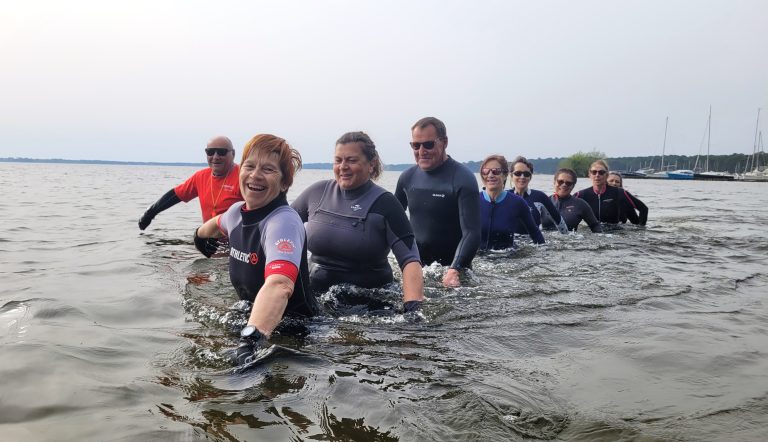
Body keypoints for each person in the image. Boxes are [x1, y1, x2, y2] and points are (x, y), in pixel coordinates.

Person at [194, 134, 319, 366]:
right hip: (253, 321)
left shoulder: (283, 222)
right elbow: (214, 224)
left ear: (284, 183)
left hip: (296, 334)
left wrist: (249, 343)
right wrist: (199, 237)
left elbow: (280, 285)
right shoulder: (235, 212)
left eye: (268, 169)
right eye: (249, 166)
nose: (255, 175)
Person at [291, 131, 425, 312]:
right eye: (338, 160)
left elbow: (410, 260)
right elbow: (283, 226)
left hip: (367, 303)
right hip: (315, 294)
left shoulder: (386, 203)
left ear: (371, 165)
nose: (343, 166)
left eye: (351, 160)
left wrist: (413, 309)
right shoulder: (317, 192)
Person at [394, 117, 481, 288]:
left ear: (444, 142)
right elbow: (391, 222)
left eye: (428, 144)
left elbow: (472, 233)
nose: (421, 151)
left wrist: (455, 269)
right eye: (415, 145)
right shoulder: (407, 178)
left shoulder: (463, 178)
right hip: (416, 267)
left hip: (452, 271)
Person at [138, 136, 242, 230]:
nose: (215, 157)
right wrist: (150, 213)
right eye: (210, 152)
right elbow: (175, 195)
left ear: (233, 154)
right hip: (209, 239)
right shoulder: (201, 176)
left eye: (221, 152)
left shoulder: (243, 176)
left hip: (237, 240)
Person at [478, 154, 545, 250]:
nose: (490, 175)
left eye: (496, 171)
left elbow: (535, 233)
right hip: (480, 260)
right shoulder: (473, 201)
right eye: (485, 171)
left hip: (508, 258)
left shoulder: (517, 203)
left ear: (505, 175)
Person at [509, 156, 569, 235]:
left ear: (530, 177)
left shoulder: (540, 197)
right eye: (518, 173)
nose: (522, 177)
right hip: (509, 244)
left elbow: (559, 221)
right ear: (511, 175)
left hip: (533, 243)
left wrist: (565, 239)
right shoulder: (504, 196)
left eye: (526, 174)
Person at [575, 160, 644, 226]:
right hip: (591, 235)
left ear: (607, 175)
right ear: (589, 175)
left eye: (601, 172)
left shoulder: (620, 193)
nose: (597, 175)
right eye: (594, 172)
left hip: (616, 234)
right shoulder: (581, 194)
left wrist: (641, 231)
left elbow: (642, 209)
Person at [541, 168, 602, 232]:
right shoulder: (543, 203)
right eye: (560, 182)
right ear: (554, 182)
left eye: (568, 183)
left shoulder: (581, 204)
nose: (564, 185)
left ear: (573, 186)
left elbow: (595, 225)